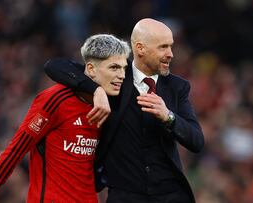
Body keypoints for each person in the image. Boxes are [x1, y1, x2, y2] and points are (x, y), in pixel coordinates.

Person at [44, 18, 204, 203]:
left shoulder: (177, 87)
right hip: (125, 195)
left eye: (171, 46)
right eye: (163, 47)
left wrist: (168, 116)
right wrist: (95, 90)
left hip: (170, 194)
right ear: (140, 48)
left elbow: (196, 141)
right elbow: (55, 66)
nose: (170, 54)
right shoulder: (115, 75)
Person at [0, 34, 131, 203]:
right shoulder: (55, 99)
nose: (121, 75)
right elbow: (15, 151)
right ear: (91, 69)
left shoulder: (111, 107)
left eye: (123, 68)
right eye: (114, 68)